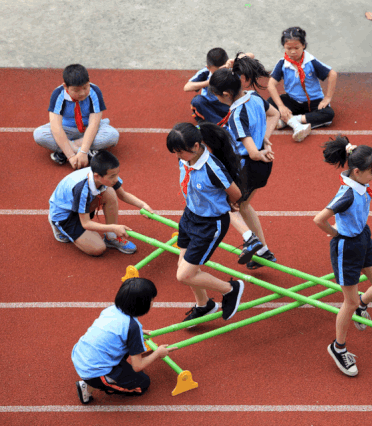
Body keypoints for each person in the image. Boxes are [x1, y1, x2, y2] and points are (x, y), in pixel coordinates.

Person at [314, 136, 372, 377]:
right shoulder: (347, 193)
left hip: (363, 240)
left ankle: (361, 306)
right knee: (350, 301)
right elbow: (319, 219)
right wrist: (335, 233)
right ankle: (338, 348)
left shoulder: (359, 184)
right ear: (357, 172)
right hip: (346, 248)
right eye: (371, 172)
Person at [166, 122, 247, 323]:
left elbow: (236, 193)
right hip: (189, 216)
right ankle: (204, 305)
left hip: (209, 225)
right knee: (184, 267)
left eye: (180, 151)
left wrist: (229, 204)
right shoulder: (185, 159)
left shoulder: (213, 168)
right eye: (175, 152)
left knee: (184, 275)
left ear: (196, 146)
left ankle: (230, 289)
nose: (177, 156)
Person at [209, 54, 279, 269]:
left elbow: (252, 152)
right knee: (244, 205)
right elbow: (275, 114)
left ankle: (251, 240)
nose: (216, 99)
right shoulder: (254, 97)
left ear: (226, 94)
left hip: (246, 167)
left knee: (224, 205)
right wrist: (265, 139)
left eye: (217, 96)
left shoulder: (237, 115)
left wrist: (260, 151)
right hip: (261, 168)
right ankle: (263, 251)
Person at [72, 278, 176, 404]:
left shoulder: (111, 309)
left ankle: (106, 375)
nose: (153, 302)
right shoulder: (132, 327)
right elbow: (137, 367)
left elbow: (113, 330)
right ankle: (89, 387)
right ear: (142, 304)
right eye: (151, 300)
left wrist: (137, 334)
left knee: (128, 346)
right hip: (93, 371)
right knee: (143, 384)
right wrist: (158, 353)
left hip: (80, 355)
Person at [48, 151, 150, 255]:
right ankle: (59, 227)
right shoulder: (82, 189)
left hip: (79, 203)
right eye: (112, 176)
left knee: (109, 192)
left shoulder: (104, 173)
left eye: (117, 174)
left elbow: (123, 195)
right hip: (65, 215)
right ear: (97, 176)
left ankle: (111, 237)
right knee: (98, 249)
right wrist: (114, 227)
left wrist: (143, 205)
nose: (116, 179)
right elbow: (86, 223)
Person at [34, 64, 119, 168]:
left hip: (89, 129)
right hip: (66, 130)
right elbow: (56, 127)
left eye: (85, 87)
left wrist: (83, 151)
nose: (82, 93)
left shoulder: (94, 91)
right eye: (76, 90)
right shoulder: (58, 94)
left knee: (112, 135)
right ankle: (86, 152)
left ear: (89, 80)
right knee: (39, 135)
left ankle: (63, 151)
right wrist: (71, 157)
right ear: (65, 86)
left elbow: (93, 124)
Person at [267, 26, 338, 142]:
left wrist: (327, 98)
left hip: (313, 102)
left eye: (297, 48)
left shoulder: (310, 61)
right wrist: (281, 106)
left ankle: (291, 121)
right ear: (284, 47)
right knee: (269, 104)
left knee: (328, 114)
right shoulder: (283, 63)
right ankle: (298, 121)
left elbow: (332, 74)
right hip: (293, 101)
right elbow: (270, 85)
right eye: (289, 48)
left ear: (304, 45)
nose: (293, 51)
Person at [184, 48, 255, 124]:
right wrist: (209, 82)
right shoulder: (205, 72)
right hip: (211, 106)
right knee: (197, 101)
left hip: (228, 105)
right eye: (216, 72)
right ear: (208, 67)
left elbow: (251, 56)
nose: (219, 74)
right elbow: (187, 87)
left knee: (251, 101)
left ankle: (219, 123)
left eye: (222, 69)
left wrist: (234, 61)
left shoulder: (232, 67)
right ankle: (222, 125)